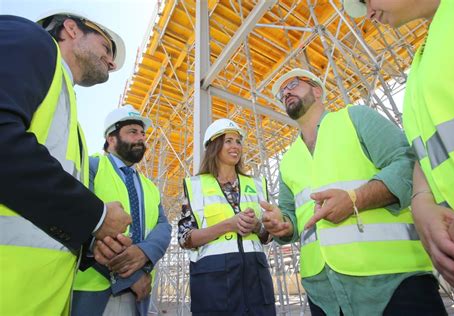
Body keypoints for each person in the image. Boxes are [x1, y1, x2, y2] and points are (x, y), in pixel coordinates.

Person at [261, 68, 447, 315]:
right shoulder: (288, 160)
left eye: (293, 84)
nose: (286, 92)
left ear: (317, 90)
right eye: (281, 92)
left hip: (393, 281)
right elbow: (290, 216)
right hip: (324, 293)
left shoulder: (355, 118)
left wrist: (355, 199)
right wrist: (282, 226)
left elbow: (406, 163)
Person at [0, 10, 131, 315]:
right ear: (72, 28)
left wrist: (91, 239)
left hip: (38, 298)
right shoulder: (30, 40)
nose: (111, 64)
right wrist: (96, 216)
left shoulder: (69, 113)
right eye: (107, 48)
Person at [343, 0, 454, 294]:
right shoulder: (422, 62)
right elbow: (425, 150)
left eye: (366, 0)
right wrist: (422, 202)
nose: (369, 13)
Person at [71, 105, 172, 316]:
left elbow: (163, 227)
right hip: (92, 290)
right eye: (132, 132)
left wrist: (144, 252)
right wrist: (132, 276)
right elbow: (78, 221)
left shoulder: (150, 186)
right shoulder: (90, 167)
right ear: (111, 138)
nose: (141, 138)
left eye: (143, 133)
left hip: (137, 299)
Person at [177, 118, 276, 315]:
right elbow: (184, 238)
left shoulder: (255, 184)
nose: (235, 146)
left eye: (238, 141)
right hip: (214, 282)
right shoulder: (195, 185)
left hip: (255, 278)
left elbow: (268, 236)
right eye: (228, 140)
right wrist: (228, 225)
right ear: (214, 146)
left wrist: (257, 226)